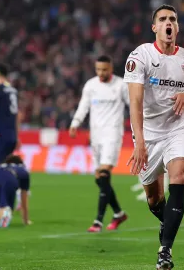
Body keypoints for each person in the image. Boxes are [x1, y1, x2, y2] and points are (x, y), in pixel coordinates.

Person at [123, 4, 184, 270]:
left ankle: (164, 251)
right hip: (148, 133)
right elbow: (135, 101)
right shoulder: (140, 56)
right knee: (154, 200)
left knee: (178, 175)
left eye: (173, 19)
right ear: (154, 27)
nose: (169, 23)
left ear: (177, 28)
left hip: (178, 128)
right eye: (163, 19)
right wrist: (140, 141)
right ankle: (165, 219)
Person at [69, 55, 129, 233]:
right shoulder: (91, 85)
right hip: (96, 136)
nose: (101, 73)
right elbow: (83, 106)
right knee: (99, 179)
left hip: (112, 134)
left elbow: (133, 106)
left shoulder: (120, 86)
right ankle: (118, 213)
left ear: (111, 69)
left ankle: (98, 221)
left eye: (105, 69)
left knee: (103, 175)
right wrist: (75, 123)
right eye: (98, 70)